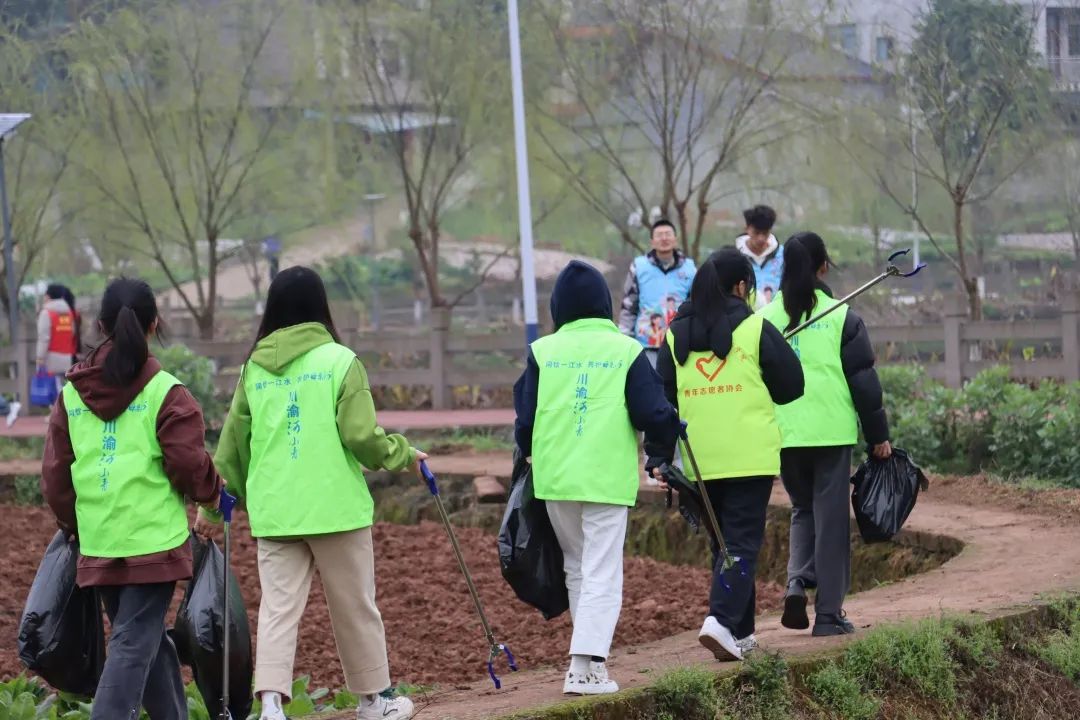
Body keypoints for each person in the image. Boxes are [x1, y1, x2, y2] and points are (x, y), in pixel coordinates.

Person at [196, 266, 425, 720]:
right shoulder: (341, 361)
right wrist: (404, 454)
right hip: (336, 508)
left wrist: (210, 507)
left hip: (276, 513)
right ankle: (373, 702)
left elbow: (232, 451)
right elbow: (362, 437)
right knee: (355, 606)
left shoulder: (251, 370)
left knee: (278, 611)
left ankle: (270, 708)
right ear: (321, 307)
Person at [40, 277, 223, 720]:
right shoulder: (167, 393)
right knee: (132, 642)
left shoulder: (72, 395)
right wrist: (214, 496)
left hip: (100, 541)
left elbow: (54, 477)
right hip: (152, 543)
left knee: (141, 636)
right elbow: (186, 460)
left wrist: (74, 526)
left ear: (100, 324)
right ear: (154, 323)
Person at [515, 260, 679, 695]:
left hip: (555, 478)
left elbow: (525, 418)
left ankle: (584, 662)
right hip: (604, 478)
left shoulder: (542, 351)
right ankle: (584, 668)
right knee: (603, 571)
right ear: (604, 305)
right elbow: (651, 411)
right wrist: (670, 428)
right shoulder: (624, 350)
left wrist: (529, 450)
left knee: (578, 567)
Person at [654, 248, 804, 661]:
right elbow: (793, 386)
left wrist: (660, 456)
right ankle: (719, 620)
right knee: (740, 543)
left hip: (701, 460)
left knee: (725, 544)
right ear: (741, 287)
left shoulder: (671, 335)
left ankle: (742, 632)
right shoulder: (755, 328)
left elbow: (662, 403)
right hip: (748, 455)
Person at [759, 232, 891, 637]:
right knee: (830, 521)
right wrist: (878, 436)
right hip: (830, 434)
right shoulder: (842, 317)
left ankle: (797, 582)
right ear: (823, 267)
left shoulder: (763, 320)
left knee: (802, 510)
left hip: (785, 433)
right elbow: (864, 384)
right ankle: (829, 616)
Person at [618, 219, 697, 367]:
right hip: (646, 343)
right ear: (652, 241)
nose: (664, 238)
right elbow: (629, 304)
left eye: (668, 234)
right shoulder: (639, 266)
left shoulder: (690, 269)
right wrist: (624, 338)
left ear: (676, 239)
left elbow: (696, 305)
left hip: (679, 343)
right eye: (659, 235)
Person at [735, 205, 783, 310]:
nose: (761, 238)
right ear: (747, 229)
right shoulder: (735, 257)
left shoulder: (782, 255)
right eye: (756, 232)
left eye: (765, 233)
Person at [35, 283, 77, 397]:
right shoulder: (68, 313)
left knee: (55, 389)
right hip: (66, 356)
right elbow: (72, 332)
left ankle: (57, 412)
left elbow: (44, 338)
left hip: (51, 356)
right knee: (65, 386)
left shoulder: (46, 313)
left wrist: (40, 358)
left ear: (48, 296)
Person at [57, 285, 84, 366]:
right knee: (69, 377)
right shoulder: (76, 314)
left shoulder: (61, 315)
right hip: (73, 353)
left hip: (62, 353)